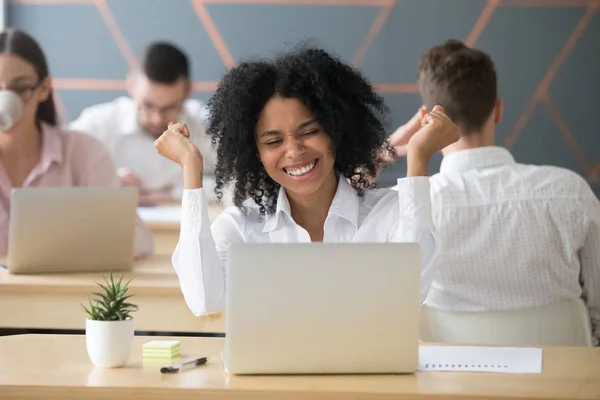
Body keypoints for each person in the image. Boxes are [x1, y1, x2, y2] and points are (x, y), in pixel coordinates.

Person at [153, 45, 461, 316]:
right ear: (256, 153)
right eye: (273, 142)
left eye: (309, 132)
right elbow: (204, 300)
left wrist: (419, 159)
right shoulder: (242, 229)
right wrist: (191, 171)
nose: (294, 151)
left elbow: (411, 290)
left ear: (335, 130)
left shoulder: (388, 213)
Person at [389, 39, 600, 344]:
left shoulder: (409, 209)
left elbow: (392, 312)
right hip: (562, 388)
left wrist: (385, 150)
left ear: (425, 120)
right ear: (498, 109)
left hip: (448, 390)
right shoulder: (569, 193)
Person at [0, 28, 153, 258]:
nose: (6, 100)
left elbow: (138, 239)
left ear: (43, 88)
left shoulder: (84, 152)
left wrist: (75, 237)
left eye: (20, 89)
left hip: (66, 291)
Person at [69, 42, 220, 206]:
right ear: (131, 85)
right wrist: (107, 181)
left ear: (188, 92)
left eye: (169, 108)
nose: (156, 118)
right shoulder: (98, 123)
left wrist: (176, 191)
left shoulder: (208, 126)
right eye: (148, 105)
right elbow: (57, 170)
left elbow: (242, 183)